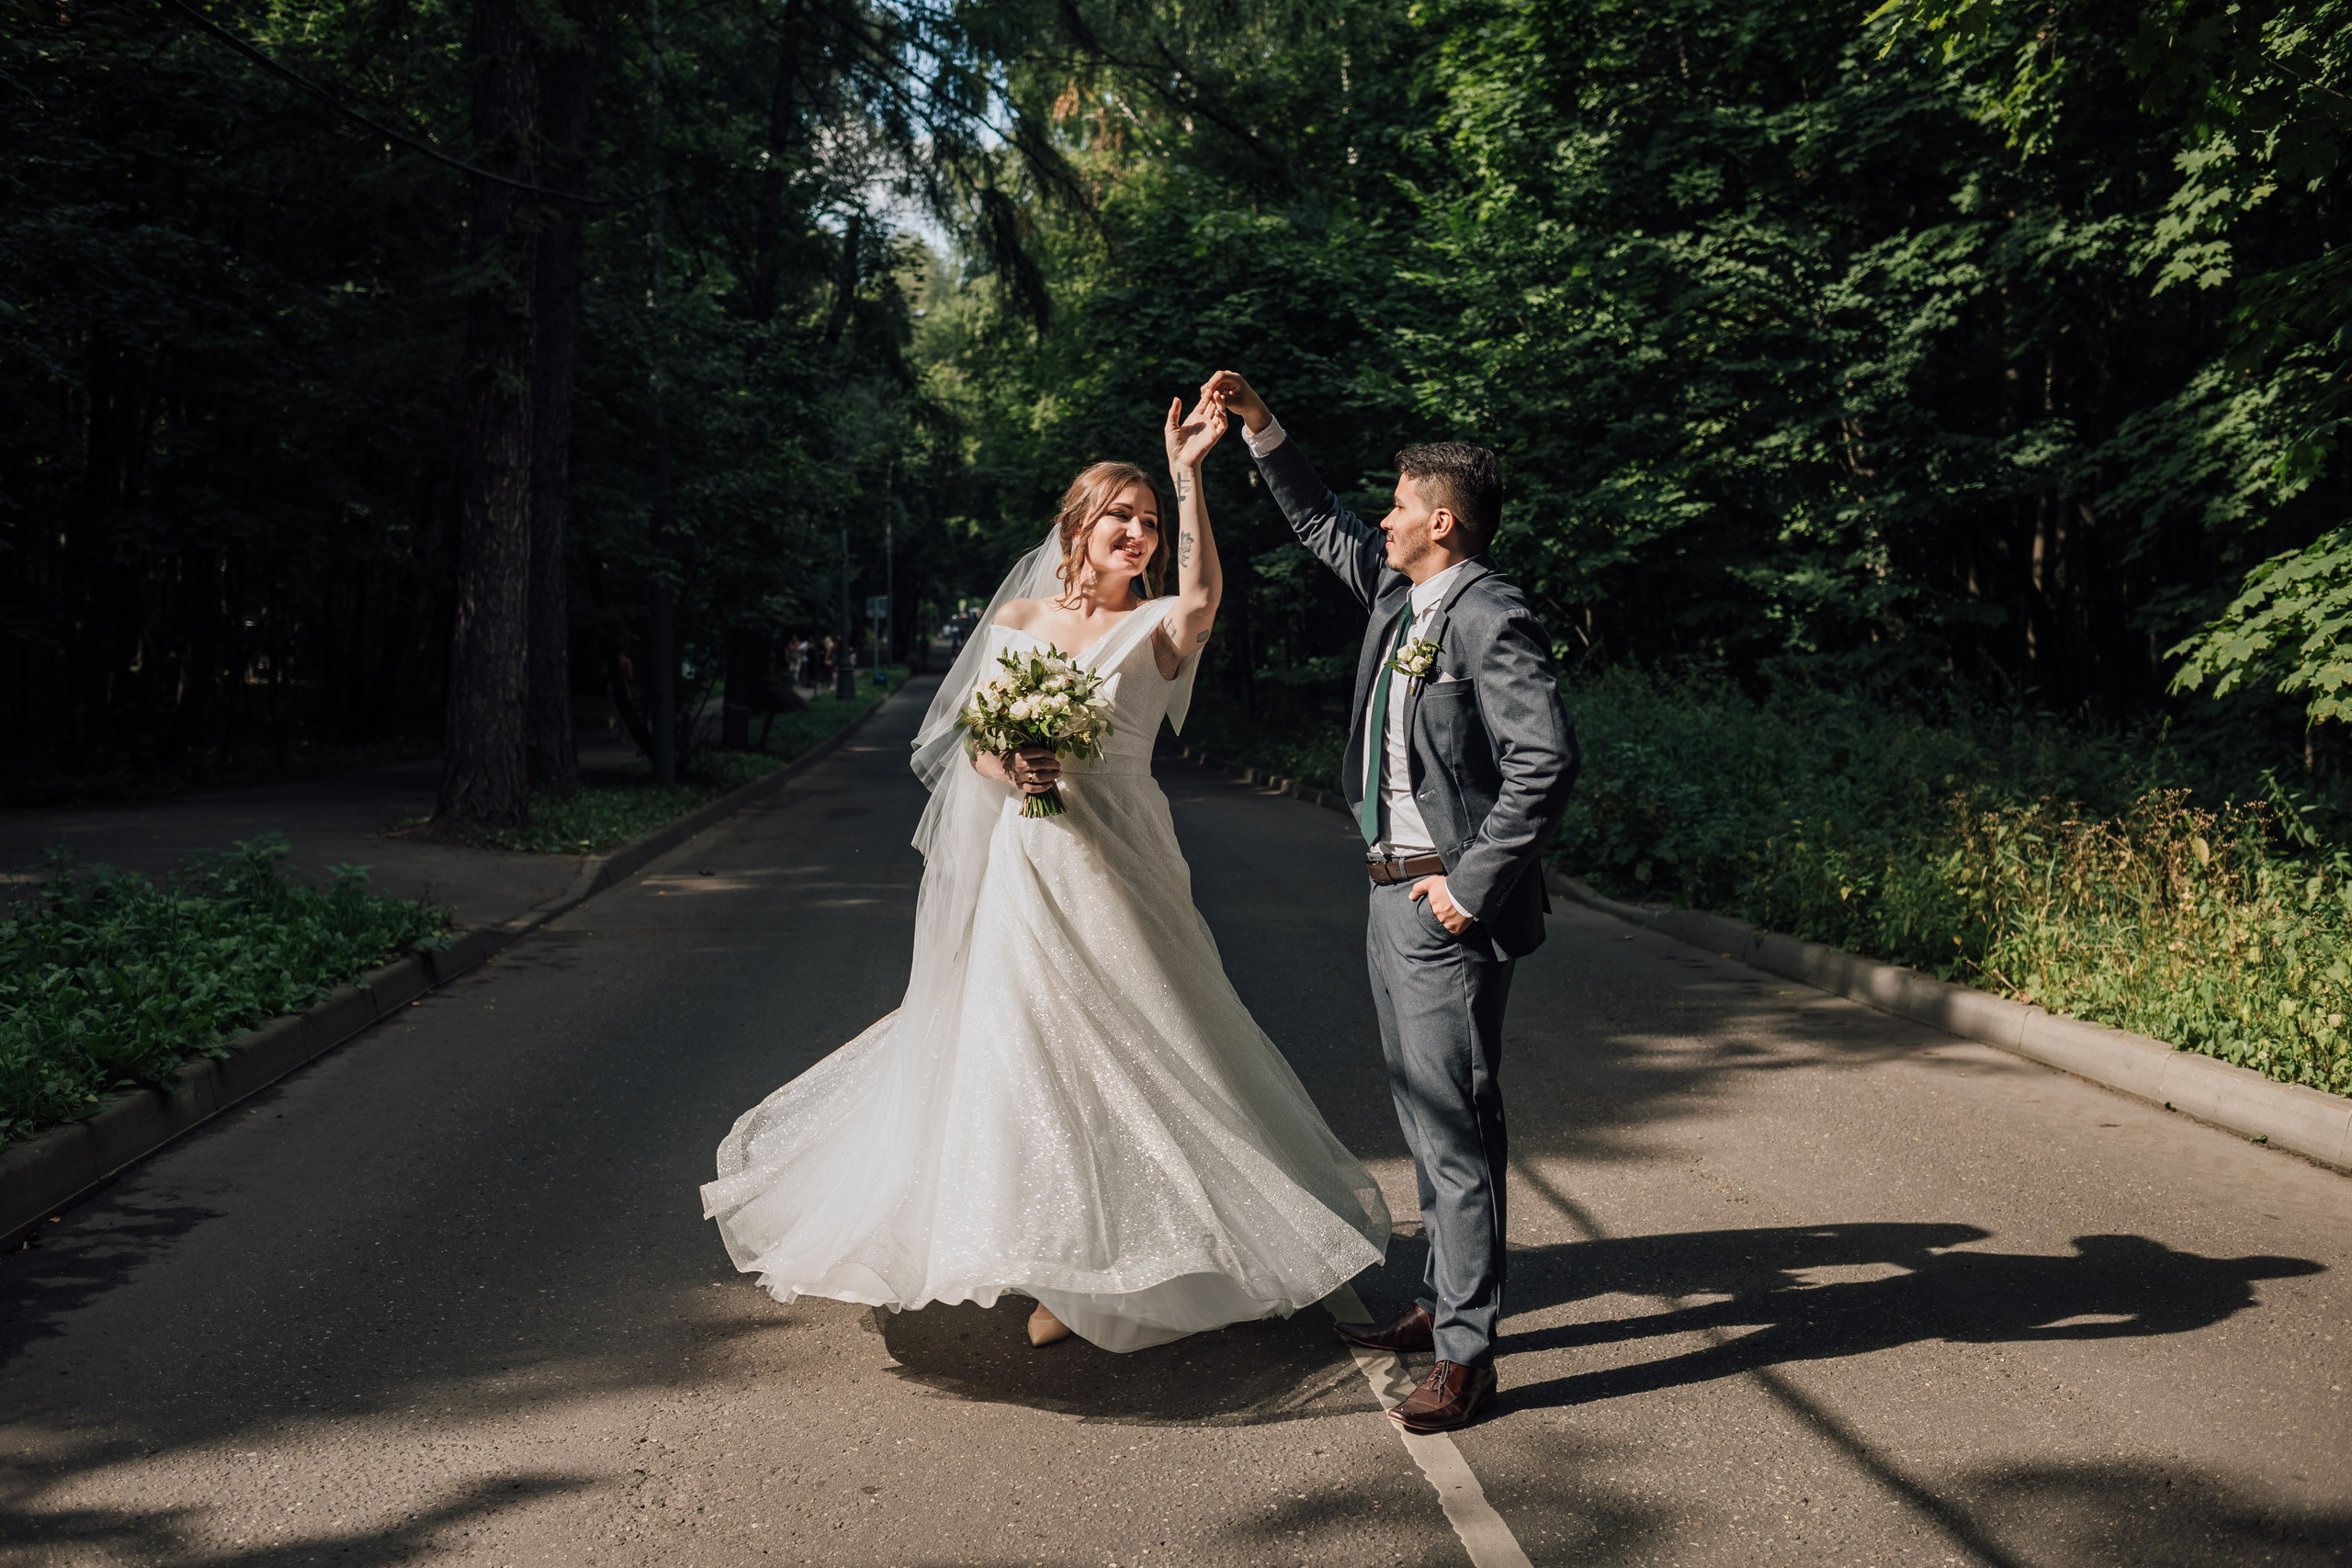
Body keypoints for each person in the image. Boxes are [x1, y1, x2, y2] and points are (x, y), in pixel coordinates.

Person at [702, 393, 1390, 1353]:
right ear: (1079, 523)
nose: (1139, 534)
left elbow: (1203, 601)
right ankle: (1057, 1258)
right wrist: (1009, 761)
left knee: (1147, 1037)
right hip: (1031, 854)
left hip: (1124, 853)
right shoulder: (1021, 617)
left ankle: (1152, 1242)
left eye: (1149, 522)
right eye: (1124, 515)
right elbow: (978, 744)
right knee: (1029, 1048)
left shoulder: (1156, 623)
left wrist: (1189, 473)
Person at [1201, 370, 1579, 1433]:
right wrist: (1262, 428)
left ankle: (1467, 1355)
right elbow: (1319, 520)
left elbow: (1543, 762)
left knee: (1455, 1126)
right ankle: (1439, 1303)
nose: (1385, 516)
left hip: (1441, 906)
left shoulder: (1487, 613)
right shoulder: (1401, 592)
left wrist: (1467, 892)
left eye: (1402, 504)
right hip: (1387, 894)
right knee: (1424, 1118)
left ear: (1442, 522)